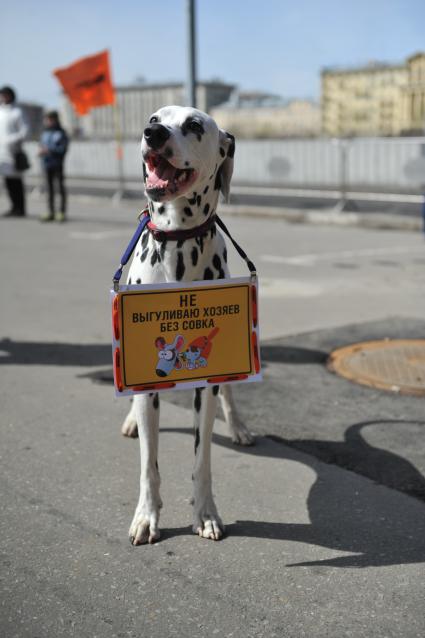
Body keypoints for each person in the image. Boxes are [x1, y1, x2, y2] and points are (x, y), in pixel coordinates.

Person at [0, 86, 29, 217]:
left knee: (17, 182)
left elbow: (24, 131)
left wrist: (11, 140)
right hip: (2, 153)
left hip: (14, 152)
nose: (3, 97)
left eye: (6, 95)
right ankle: (13, 207)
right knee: (8, 182)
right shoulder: (1, 112)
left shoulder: (17, 112)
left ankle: (20, 208)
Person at [39, 110, 68, 222]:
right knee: (49, 189)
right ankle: (51, 211)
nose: (48, 122)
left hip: (57, 164)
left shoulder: (61, 133)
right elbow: (41, 145)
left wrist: (49, 150)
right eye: (47, 119)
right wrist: (41, 151)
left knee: (60, 188)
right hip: (46, 164)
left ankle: (61, 212)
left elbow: (62, 149)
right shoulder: (45, 133)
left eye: (50, 119)